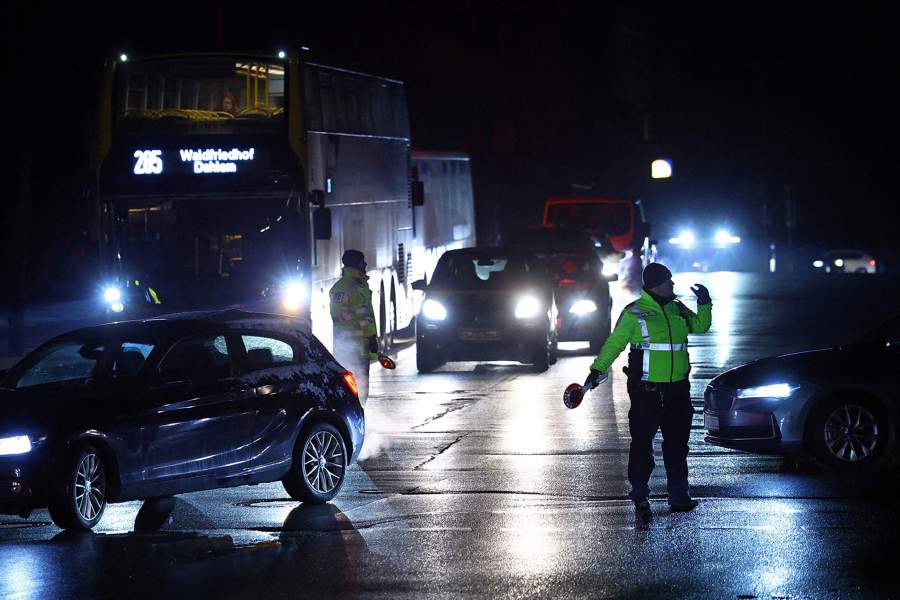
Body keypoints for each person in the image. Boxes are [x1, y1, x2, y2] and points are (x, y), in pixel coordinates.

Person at [584, 263, 711, 523]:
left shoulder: (677, 308)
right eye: (668, 280)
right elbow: (614, 344)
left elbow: (700, 326)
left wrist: (704, 303)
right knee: (642, 445)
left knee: (677, 446)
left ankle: (679, 496)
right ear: (656, 284)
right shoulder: (634, 312)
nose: (672, 284)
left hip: (677, 390)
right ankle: (640, 495)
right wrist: (597, 369)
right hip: (646, 392)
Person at [329, 250, 378, 404]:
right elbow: (364, 315)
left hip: (342, 346)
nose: (365, 264)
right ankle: (360, 411)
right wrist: (371, 337)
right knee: (361, 388)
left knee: (345, 387)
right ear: (357, 264)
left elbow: (336, 315)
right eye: (362, 262)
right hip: (359, 345)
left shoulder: (336, 287)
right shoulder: (357, 287)